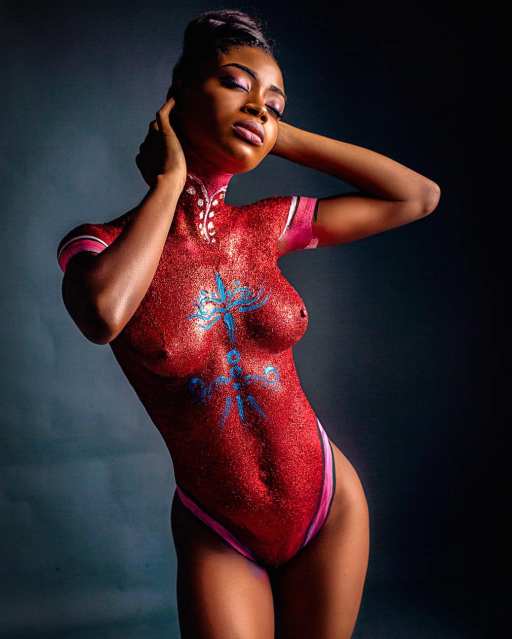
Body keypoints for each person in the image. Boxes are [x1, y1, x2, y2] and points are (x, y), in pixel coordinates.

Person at [57, 9, 440, 639]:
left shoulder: (266, 225)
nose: (260, 106)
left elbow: (418, 197)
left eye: (275, 102)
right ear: (178, 97)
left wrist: (275, 132)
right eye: (237, 84)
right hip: (220, 529)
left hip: (327, 505)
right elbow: (103, 316)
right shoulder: (98, 246)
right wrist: (170, 181)